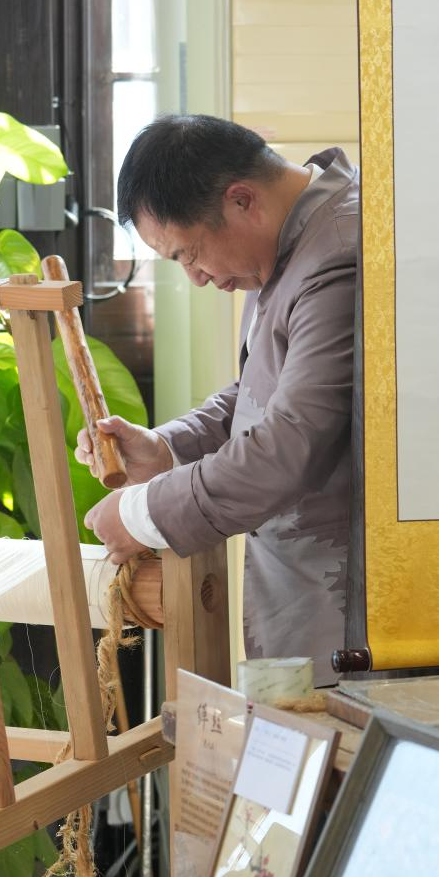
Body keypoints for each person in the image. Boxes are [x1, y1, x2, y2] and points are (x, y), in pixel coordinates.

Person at [79, 114, 358, 686]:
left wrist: (143, 514)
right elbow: (261, 385)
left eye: (189, 254)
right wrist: (165, 448)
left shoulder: (337, 253)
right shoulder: (291, 240)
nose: (197, 278)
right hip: (300, 598)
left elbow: (291, 443)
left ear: (241, 200)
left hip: (348, 613)